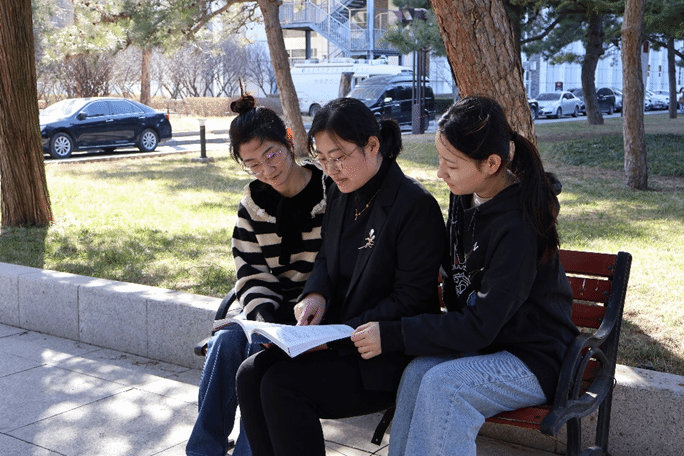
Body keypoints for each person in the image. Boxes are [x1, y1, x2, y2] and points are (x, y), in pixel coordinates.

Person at [358, 96, 579, 456]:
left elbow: (480, 325)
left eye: (451, 164)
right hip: (488, 346)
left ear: (491, 164)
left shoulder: (519, 227)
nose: (440, 173)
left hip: (535, 359)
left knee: (445, 386)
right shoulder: (465, 194)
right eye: (440, 159)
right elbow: (456, 273)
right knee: (417, 374)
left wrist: (394, 334)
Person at [235, 97, 446, 456]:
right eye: (322, 159)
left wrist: (335, 337)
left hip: (384, 351)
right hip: (336, 335)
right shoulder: (340, 192)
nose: (331, 169)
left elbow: (409, 300)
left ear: (372, 145)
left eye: (339, 157)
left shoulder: (414, 205)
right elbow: (326, 258)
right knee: (250, 373)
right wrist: (314, 295)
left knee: (282, 386)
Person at [186, 94, 328, 456]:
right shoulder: (252, 205)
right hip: (267, 312)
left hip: (318, 314)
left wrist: (287, 325)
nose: (266, 170)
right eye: (252, 164)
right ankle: (203, 450)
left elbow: (336, 265)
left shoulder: (330, 191)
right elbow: (250, 274)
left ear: (289, 139)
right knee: (226, 343)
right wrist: (265, 321)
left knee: (257, 355)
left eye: (271, 155)